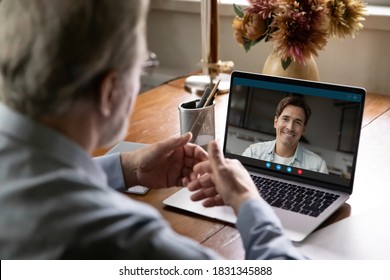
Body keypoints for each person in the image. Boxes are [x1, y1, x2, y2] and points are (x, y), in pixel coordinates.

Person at [0, 0, 305, 259]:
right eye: (141, 65)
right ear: (109, 92)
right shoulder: (129, 240)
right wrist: (246, 199)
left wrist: (126, 168)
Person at [243, 96, 328, 174]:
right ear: (275, 122)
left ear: (304, 129)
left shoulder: (318, 166)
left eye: (297, 122)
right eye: (285, 119)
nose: (290, 127)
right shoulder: (253, 153)